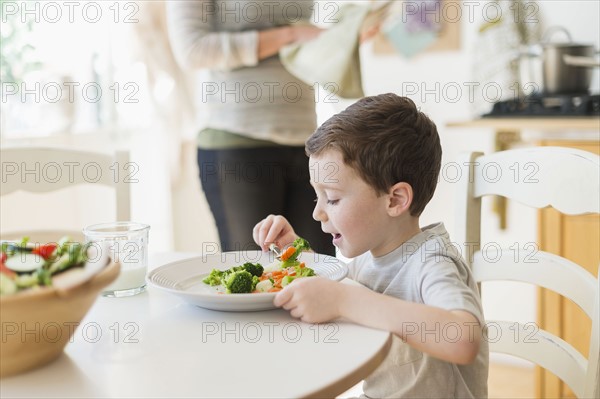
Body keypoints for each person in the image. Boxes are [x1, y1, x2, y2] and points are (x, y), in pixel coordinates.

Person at [253, 94, 489, 398]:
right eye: (317, 196)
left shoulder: (433, 261)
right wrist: (294, 251)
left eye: (333, 198)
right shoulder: (371, 258)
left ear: (395, 200)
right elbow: (331, 287)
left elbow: (462, 339)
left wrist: (344, 300)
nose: (317, 212)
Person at [166, 0, 334, 254]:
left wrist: (343, 36)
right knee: (254, 270)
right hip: (237, 139)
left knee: (320, 268)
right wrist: (290, 35)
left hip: (305, 138)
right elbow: (193, 49)